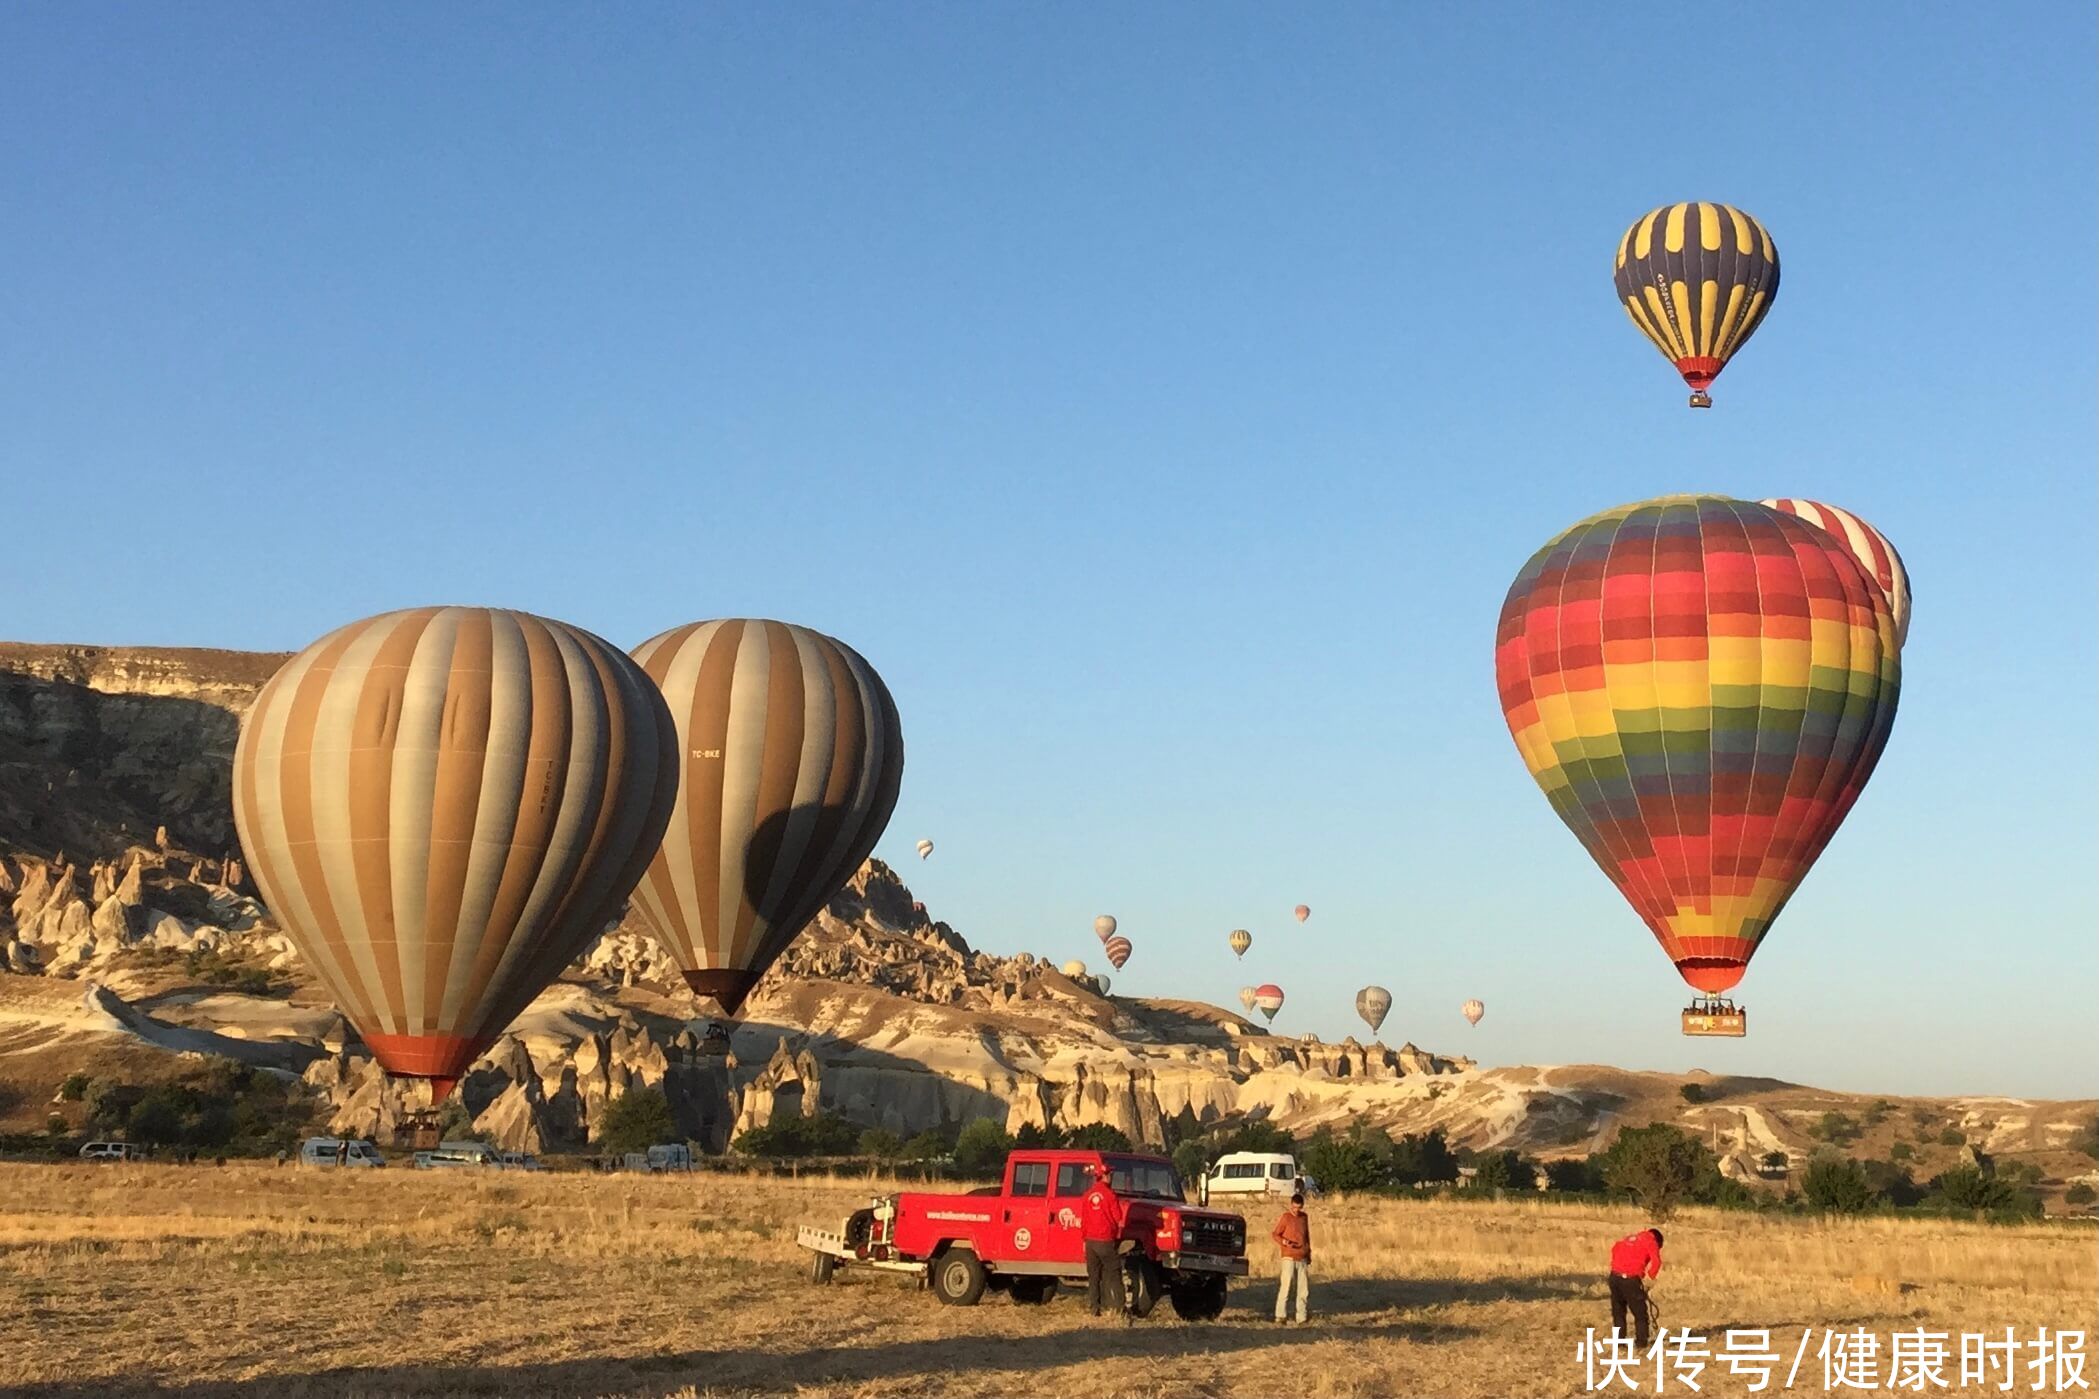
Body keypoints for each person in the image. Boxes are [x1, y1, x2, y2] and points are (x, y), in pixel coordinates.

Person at [1079, 1160, 1127, 1318]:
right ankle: (1120, 1308)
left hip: (1090, 1241)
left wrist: (1084, 1241)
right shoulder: (1110, 1195)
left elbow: (1083, 1220)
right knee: (1114, 1273)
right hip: (1105, 1240)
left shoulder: (1087, 1196)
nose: (1111, 1177)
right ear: (1104, 1176)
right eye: (1110, 1174)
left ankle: (1094, 1308)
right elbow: (1118, 1217)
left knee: (1093, 1276)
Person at [1608, 1227, 1664, 1350]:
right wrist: (1650, 1278)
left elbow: (1615, 1249)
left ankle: (1619, 1343)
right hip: (1630, 1280)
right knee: (1640, 1314)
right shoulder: (1651, 1241)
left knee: (1619, 1313)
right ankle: (1641, 1343)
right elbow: (1656, 1262)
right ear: (1658, 1241)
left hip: (1614, 1277)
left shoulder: (1631, 1238)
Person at [1271, 1190, 1312, 1323]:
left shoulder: (1304, 1217)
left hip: (1302, 1258)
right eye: (1294, 1207)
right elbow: (1275, 1234)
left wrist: (1308, 1253)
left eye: (1299, 1208)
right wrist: (1284, 1242)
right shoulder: (1286, 1217)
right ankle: (1280, 1315)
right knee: (1286, 1286)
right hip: (1288, 1256)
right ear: (1291, 1205)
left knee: (1303, 1289)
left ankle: (1301, 1316)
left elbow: (1307, 1236)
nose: (1296, 1210)